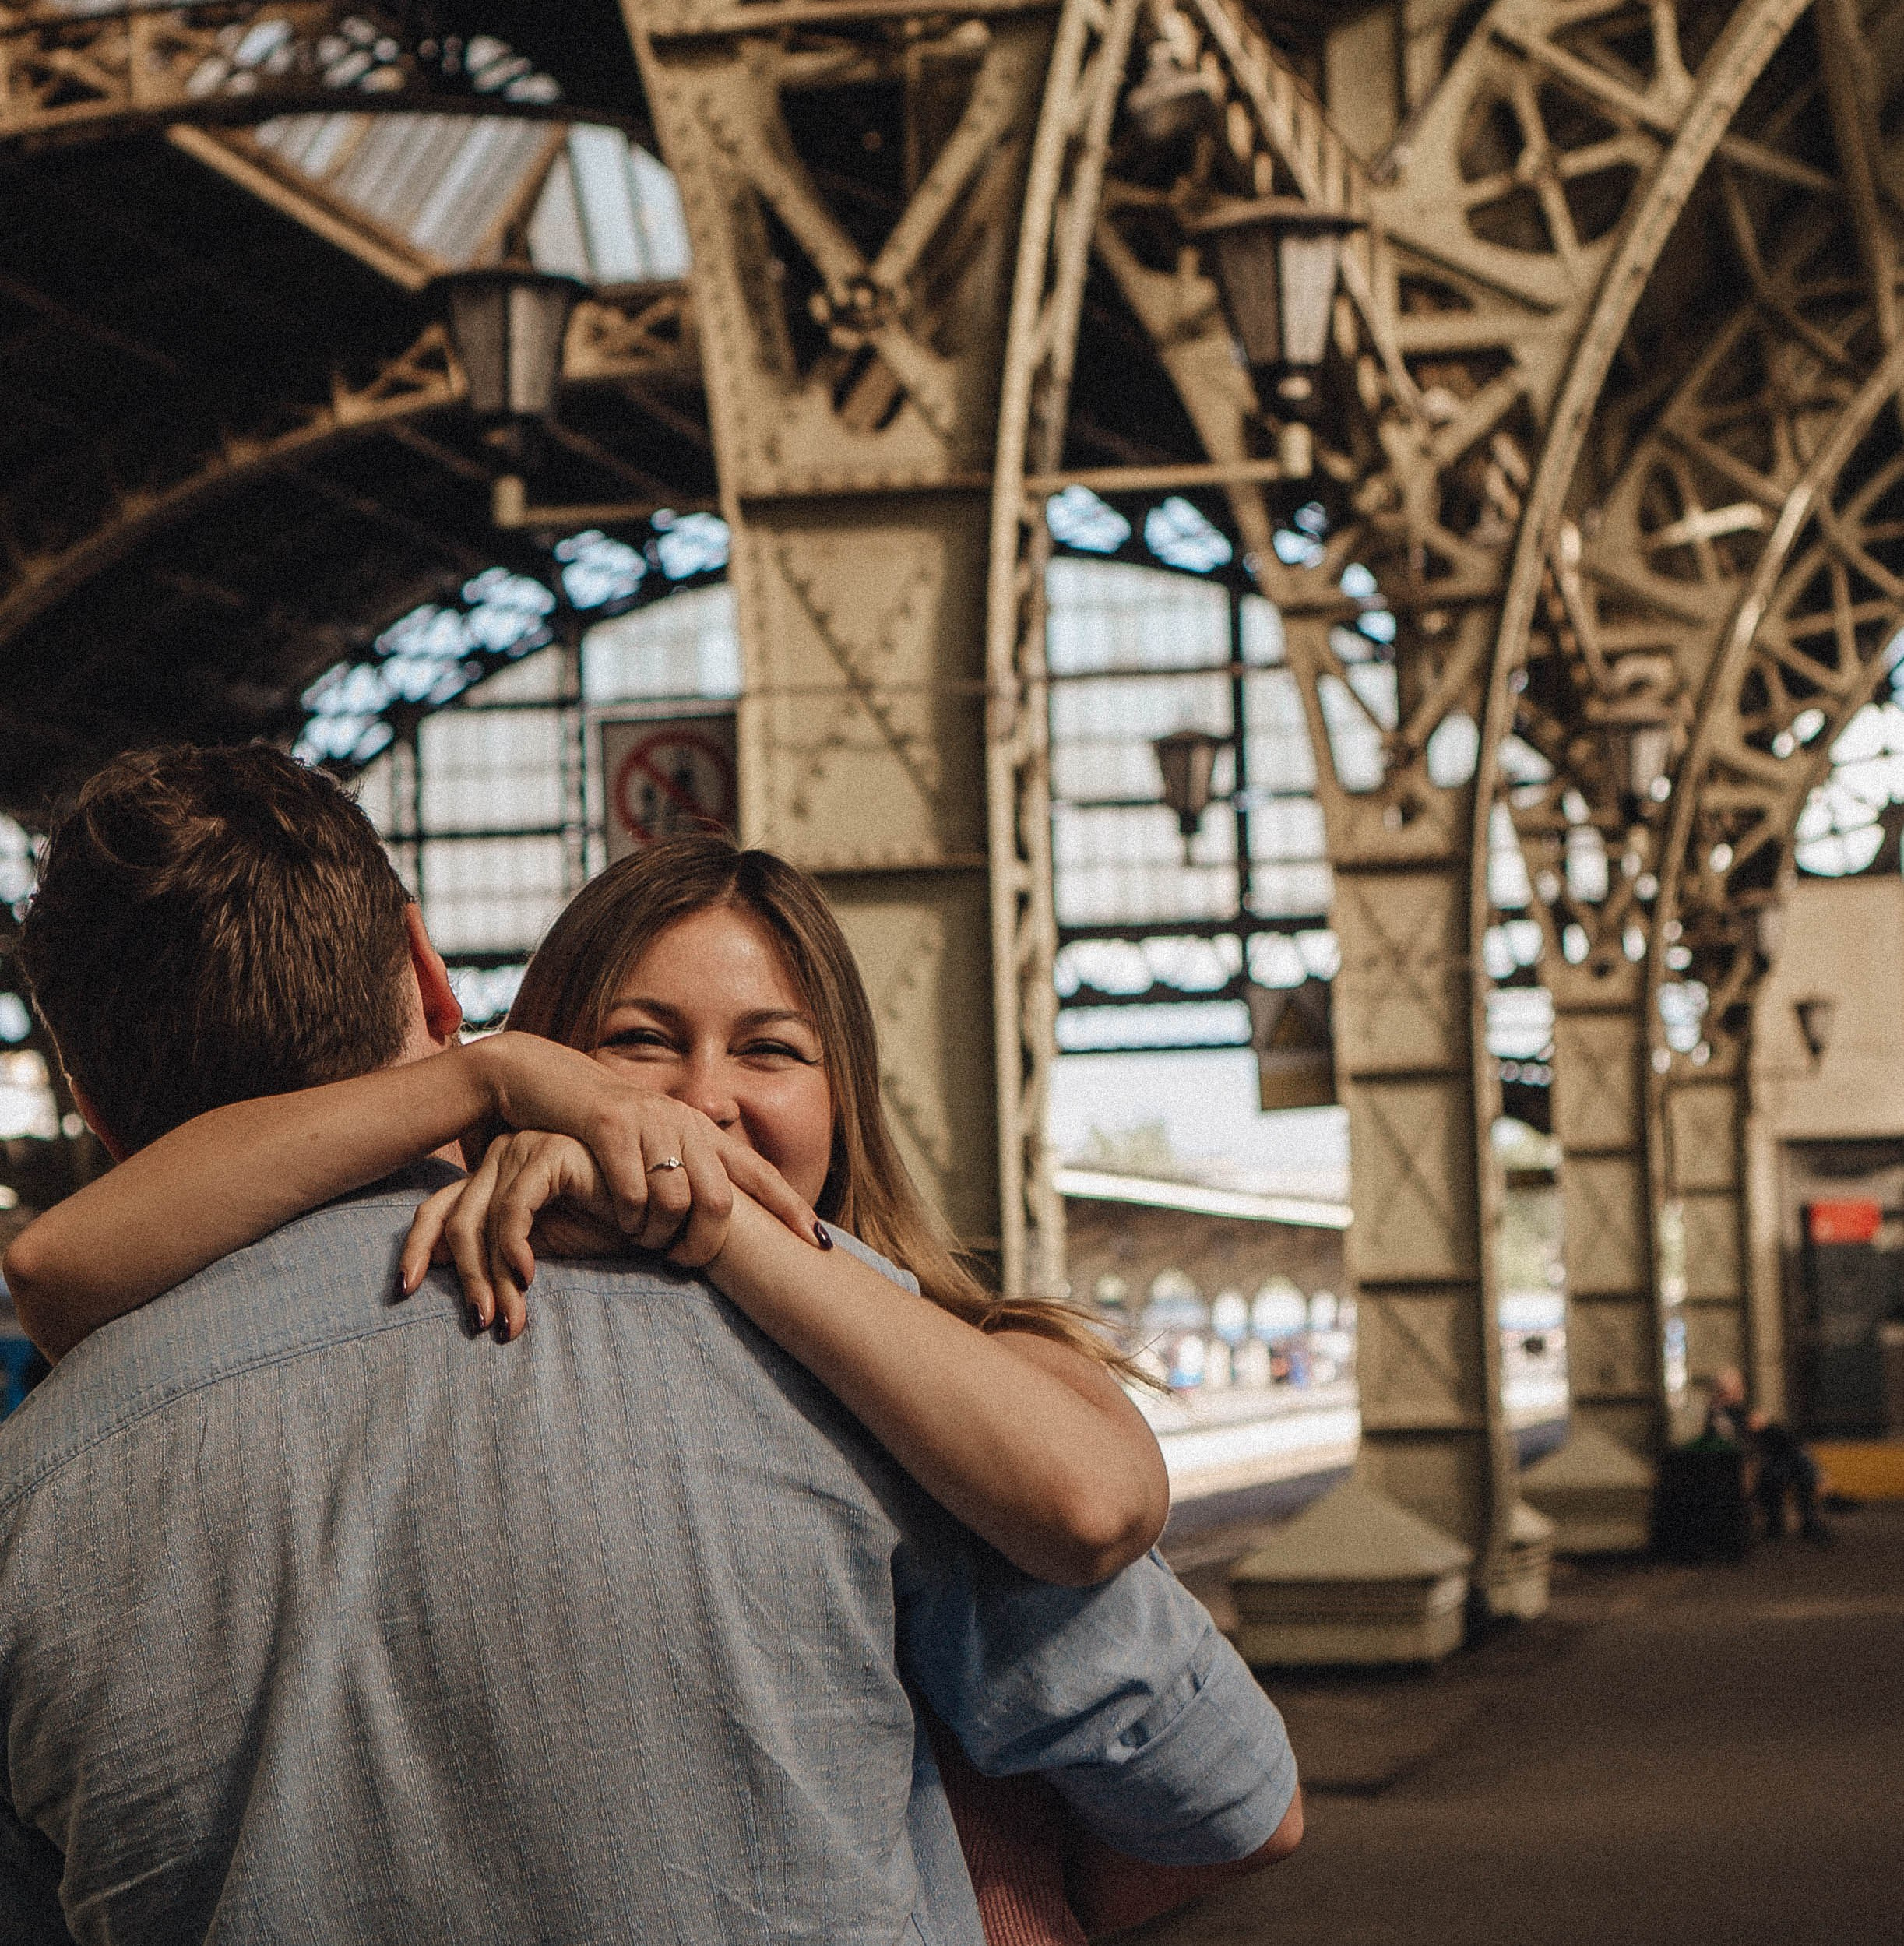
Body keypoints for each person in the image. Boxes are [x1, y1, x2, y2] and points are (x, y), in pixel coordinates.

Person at [1, 746, 1302, 1944]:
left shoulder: (35, 1493)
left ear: (87, 1098)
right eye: (638, 1045)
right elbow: (1228, 1798)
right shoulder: (803, 1361)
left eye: (770, 1051)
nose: (695, 1110)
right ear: (435, 972)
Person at [1706, 1364, 1830, 1543]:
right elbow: (1731, 1443)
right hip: (1741, 1467)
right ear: (1725, 1390)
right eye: (1738, 1387)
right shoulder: (1721, 1414)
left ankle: (1804, 1512)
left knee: (1792, 1457)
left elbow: (1777, 1436)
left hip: (1757, 1462)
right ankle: (1813, 1501)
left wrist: (1763, 1426)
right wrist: (1756, 1427)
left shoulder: (1738, 1412)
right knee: (1790, 1463)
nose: (1742, 1391)